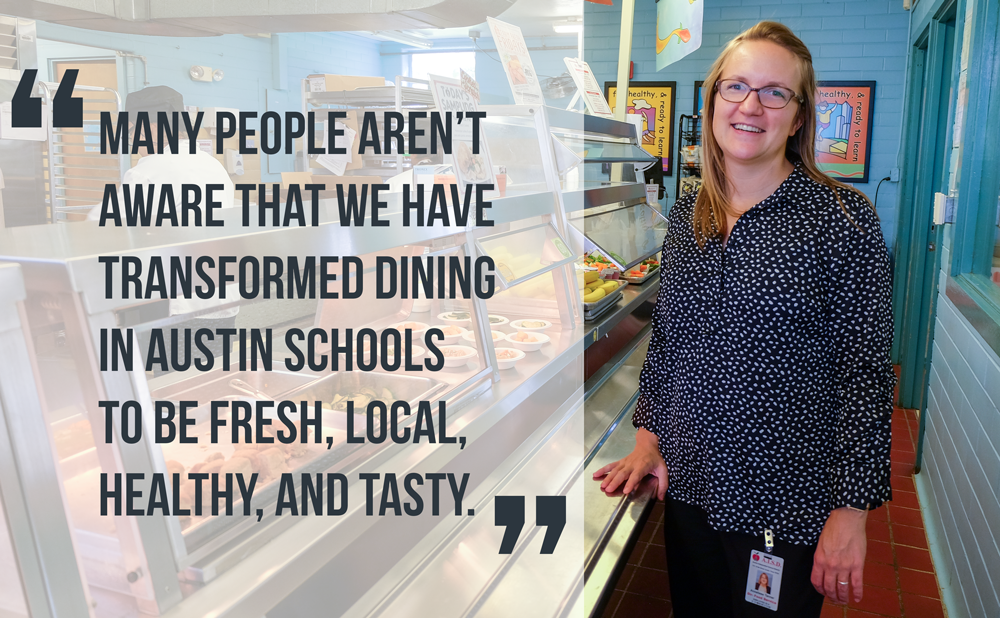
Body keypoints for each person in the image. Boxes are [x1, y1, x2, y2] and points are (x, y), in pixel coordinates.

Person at [593, 21, 894, 618]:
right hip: (693, 483)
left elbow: (865, 376)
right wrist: (650, 442)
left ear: (800, 115)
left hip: (785, 497)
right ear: (713, 102)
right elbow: (672, 342)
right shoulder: (689, 214)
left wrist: (851, 512)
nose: (751, 106)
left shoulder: (842, 221)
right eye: (735, 87)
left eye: (775, 92)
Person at [88, 86, 239, 363]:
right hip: (221, 301)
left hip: (178, 307)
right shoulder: (210, 164)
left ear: (148, 128)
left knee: (175, 392)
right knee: (209, 388)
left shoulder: (154, 168)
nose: (132, 138)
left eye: (132, 130)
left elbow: (100, 224)